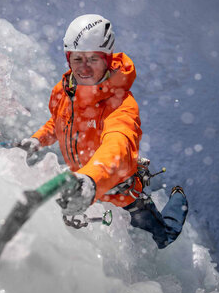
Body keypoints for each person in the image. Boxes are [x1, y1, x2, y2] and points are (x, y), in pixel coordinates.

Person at [20, 14, 188, 249]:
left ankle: (178, 200)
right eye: (77, 59)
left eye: (93, 59)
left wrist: (91, 180)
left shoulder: (121, 104)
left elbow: (118, 145)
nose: (84, 68)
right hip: (84, 190)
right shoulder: (64, 91)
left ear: (107, 60)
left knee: (163, 239)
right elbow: (58, 122)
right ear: (69, 58)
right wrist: (37, 140)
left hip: (122, 201)